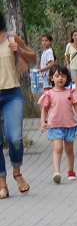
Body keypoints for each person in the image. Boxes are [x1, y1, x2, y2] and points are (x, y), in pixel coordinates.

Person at [0, 12, 35, 199]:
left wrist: (18, 50)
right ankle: (2, 184)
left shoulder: (11, 37)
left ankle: (17, 172)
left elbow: (33, 58)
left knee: (14, 138)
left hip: (12, 93)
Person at [38, 64, 77, 183]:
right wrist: (43, 122)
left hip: (69, 125)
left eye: (63, 76)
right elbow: (44, 109)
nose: (60, 78)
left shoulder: (70, 93)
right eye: (57, 76)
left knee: (69, 149)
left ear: (67, 78)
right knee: (58, 148)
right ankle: (56, 172)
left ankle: (71, 170)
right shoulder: (49, 94)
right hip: (55, 125)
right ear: (51, 78)